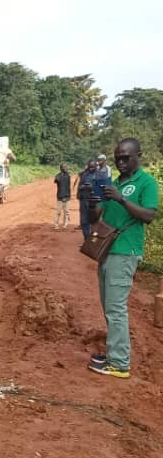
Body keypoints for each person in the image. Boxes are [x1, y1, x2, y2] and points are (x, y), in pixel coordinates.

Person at [87, 138, 158, 379]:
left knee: (116, 308)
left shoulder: (146, 183)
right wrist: (93, 203)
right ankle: (113, 353)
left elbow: (148, 215)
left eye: (126, 157)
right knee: (109, 305)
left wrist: (121, 199)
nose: (121, 162)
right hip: (107, 250)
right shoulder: (114, 182)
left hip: (125, 252)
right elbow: (96, 217)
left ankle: (119, 363)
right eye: (118, 158)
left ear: (139, 156)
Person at [73, 159, 98, 240]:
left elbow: (103, 188)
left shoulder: (99, 175)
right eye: (90, 167)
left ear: (96, 166)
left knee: (95, 222)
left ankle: (94, 241)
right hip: (83, 200)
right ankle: (86, 240)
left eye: (92, 167)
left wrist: (92, 187)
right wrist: (83, 187)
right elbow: (79, 186)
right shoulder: (84, 175)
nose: (91, 168)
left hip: (94, 201)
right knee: (84, 221)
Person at [52, 163, 71, 230]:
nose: (66, 168)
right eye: (64, 167)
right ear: (61, 168)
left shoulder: (68, 175)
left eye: (66, 167)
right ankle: (56, 224)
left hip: (67, 196)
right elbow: (55, 180)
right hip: (60, 196)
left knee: (66, 212)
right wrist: (57, 178)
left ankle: (65, 224)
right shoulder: (58, 176)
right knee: (58, 212)